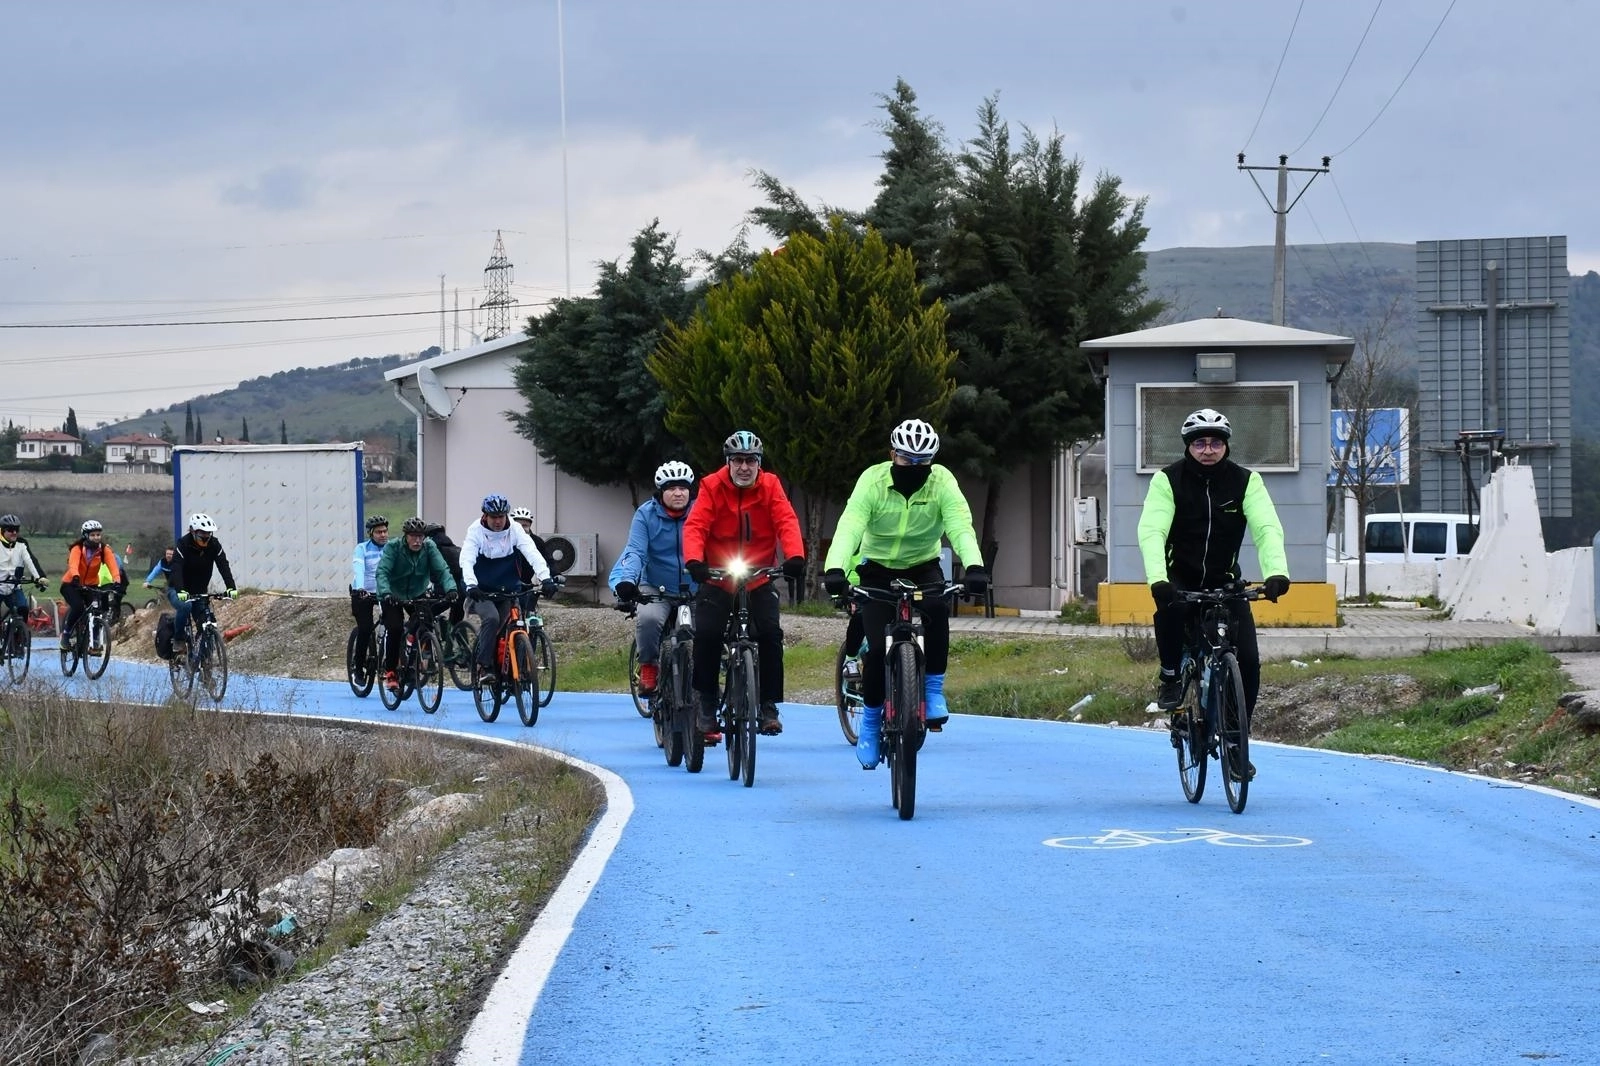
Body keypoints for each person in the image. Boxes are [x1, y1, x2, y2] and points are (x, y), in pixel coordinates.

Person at [822, 419, 988, 768]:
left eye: (921, 461)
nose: (913, 467)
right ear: (892, 455)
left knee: (937, 610)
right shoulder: (872, 481)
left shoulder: (942, 482)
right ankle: (870, 726)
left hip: (922, 565)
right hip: (877, 568)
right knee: (876, 646)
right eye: (906, 459)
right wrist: (835, 568)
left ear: (932, 461)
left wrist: (974, 565)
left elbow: (960, 525)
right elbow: (850, 525)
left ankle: (933, 689)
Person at [1137, 408, 1291, 744]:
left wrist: (1277, 572)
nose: (1208, 450)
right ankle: (1170, 676)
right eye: (1200, 443)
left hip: (1225, 581)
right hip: (1179, 579)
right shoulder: (1167, 480)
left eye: (1215, 443)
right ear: (1188, 446)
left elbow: (1267, 528)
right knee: (1171, 611)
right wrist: (1158, 579)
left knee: (1247, 661)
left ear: (1226, 446)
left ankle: (1236, 738)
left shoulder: (1246, 481)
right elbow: (1152, 531)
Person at [682, 430, 805, 737]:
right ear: (728, 462)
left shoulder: (771, 485)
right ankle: (706, 703)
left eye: (751, 461)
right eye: (738, 460)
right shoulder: (711, 486)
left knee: (771, 634)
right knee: (707, 635)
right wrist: (695, 561)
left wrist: (795, 556)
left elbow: (786, 521)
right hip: (718, 577)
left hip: (758, 576)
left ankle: (769, 706)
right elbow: (696, 526)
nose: (744, 467)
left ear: (759, 463)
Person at [609, 461, 698, 697]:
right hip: (657, 587)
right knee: (648, 619)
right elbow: (635, 552)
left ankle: (707, 678)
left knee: (709, 629)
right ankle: (649, 666)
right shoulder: (645, 514)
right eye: (671, 488)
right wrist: (627, 581)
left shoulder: (701, 510)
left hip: (695, 587)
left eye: (683, 487)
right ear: (661, 491)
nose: (678, 493)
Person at [460, 494, 555, 684]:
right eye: (493, 517)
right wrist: (471, 584)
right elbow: (467, 559)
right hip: (481, 590)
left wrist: (545, 578)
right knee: (492, 618)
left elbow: (532, 553)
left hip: (507, 587)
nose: (498, 521)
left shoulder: (515, 529)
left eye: (501, 517)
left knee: (514, 623)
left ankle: (514, 670)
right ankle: (484, 666)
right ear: (485, 516)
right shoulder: (475, 530)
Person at [375, 516, 457, 692]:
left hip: (417, 592)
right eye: (413, 536)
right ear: (405, 536)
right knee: (395, 628)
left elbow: (442, 570)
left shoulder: (429, 547)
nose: (417, 540)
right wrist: (387, 592)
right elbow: (382, 572)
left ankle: (414, 659)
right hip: (392, 593)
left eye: (420, 536)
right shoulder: (394, 547)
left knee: (424, 621)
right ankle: (390, 672)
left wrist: (451, 588)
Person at [172, 513, 239, 648]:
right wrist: (180, 590)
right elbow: (176, 568)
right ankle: (178, 639)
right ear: (192, 531)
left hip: (200, 589)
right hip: (179, 588)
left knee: (204, 622)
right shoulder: (183, 544)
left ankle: (202, 654)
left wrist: (231, 587)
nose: (206, 539)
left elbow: (223, 565)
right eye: (202, 535)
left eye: (208, 535)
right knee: (185, 606)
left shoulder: (214, 544)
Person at [60, 519, 122, 649]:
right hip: (71, 584)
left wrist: (117, 580)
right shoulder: (77, 548)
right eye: (93, 535)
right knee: (78, 607)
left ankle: (94, 640)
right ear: (85, 535)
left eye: (98, 534)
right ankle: (66, 634)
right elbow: (73, 564)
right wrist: (75, 576)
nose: (96, 537)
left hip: (91, 585)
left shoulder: (104, 550)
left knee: (96, 611)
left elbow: (113, 566)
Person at [349, 515, 389, 673]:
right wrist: (360, 588)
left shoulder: (391, 548)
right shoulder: (362, 549)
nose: (383, 535)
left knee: (394, 626)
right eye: (379, 532)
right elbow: (359, 569)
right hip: (362, 594)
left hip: (383, 593)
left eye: (385, 531)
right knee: (365, 629)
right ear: (371, 533)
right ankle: (358, 667)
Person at [0, 514, 48, 620]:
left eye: (17, 529)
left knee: (23, 609)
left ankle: (18, 630)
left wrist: (39, 578)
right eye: (11, 530)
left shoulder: (21, 544)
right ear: (2, 531)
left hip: (14, 587)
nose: (14, 532)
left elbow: (30, 561)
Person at [423, 522, 467, 629]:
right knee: (455, 625)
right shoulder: (457, 549)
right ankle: (456, 637)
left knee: (425, 616)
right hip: (462, 594)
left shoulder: (433, 552)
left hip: (444, 593)